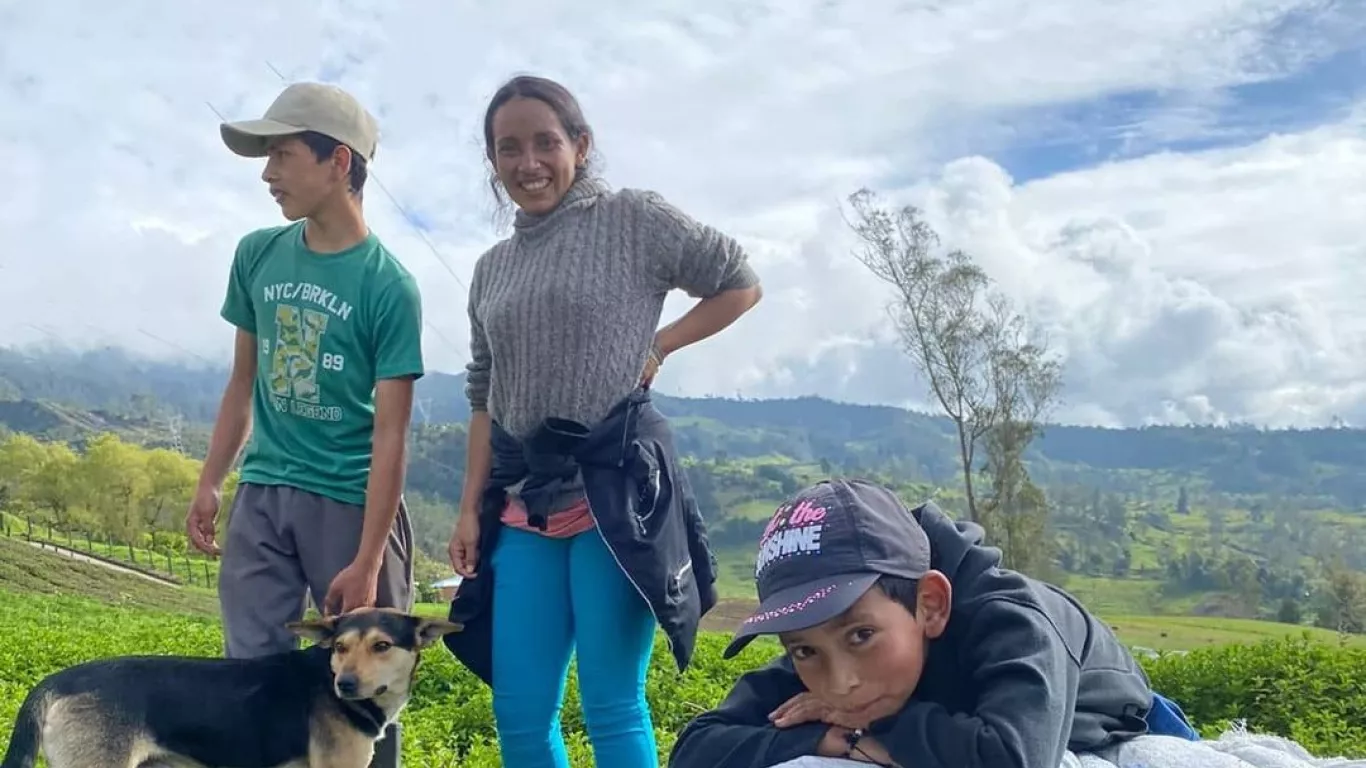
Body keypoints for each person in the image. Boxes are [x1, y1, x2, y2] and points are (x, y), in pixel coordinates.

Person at [441, 74, 763, 768]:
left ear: (580, 146)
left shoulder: (633, 219)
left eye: (545, 143)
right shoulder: (490, 269)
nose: (528, 163)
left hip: (613, 495)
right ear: (493, 164)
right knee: (520, 711)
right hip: (524, 499)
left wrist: (662, 343)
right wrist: (470, 508)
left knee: (612, 703)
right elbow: (481, 393)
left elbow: (739, 280)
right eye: (508, 149)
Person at [184, 81, 424, 768]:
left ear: (339, 162)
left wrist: (371, 558)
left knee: (369, 689)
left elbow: (391, 432)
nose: (267, 174)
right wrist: (211, 480)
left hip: (351, 503)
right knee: (251, 679)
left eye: (282, 155)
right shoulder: (258, 254)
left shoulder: (387, 285)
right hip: (263, 492)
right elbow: (242, 383)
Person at [669, 478, 1199, 768]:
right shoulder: (838, 636)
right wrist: (832, 740)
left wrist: (861, 729)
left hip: (1117, 719)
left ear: (931, 605)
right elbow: (697, 749)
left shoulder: (1015, 624)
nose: (841, 682)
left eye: (861, 636)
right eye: (804, 650)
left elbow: (1012, 760)